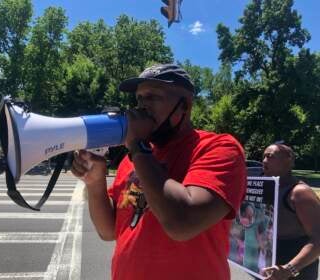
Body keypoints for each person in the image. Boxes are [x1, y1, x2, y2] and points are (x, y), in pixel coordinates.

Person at [71, 64, 247, 280]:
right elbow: (108, 231)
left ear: (186, 106)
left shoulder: (219, 148)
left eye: (153, 97)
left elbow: (181, 223)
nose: (142, 107)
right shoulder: (134, 158)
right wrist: (95, 182)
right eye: (139, 98)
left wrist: (137, 146)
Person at [261, 144, 320, 280]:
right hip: (270, 269)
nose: (264, 161)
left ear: (288, 160)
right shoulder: (269, 188)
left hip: (296, 271)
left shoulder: (299, 193)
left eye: (270, 156)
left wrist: (289, 269)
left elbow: (318, 238)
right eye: (263, 156)